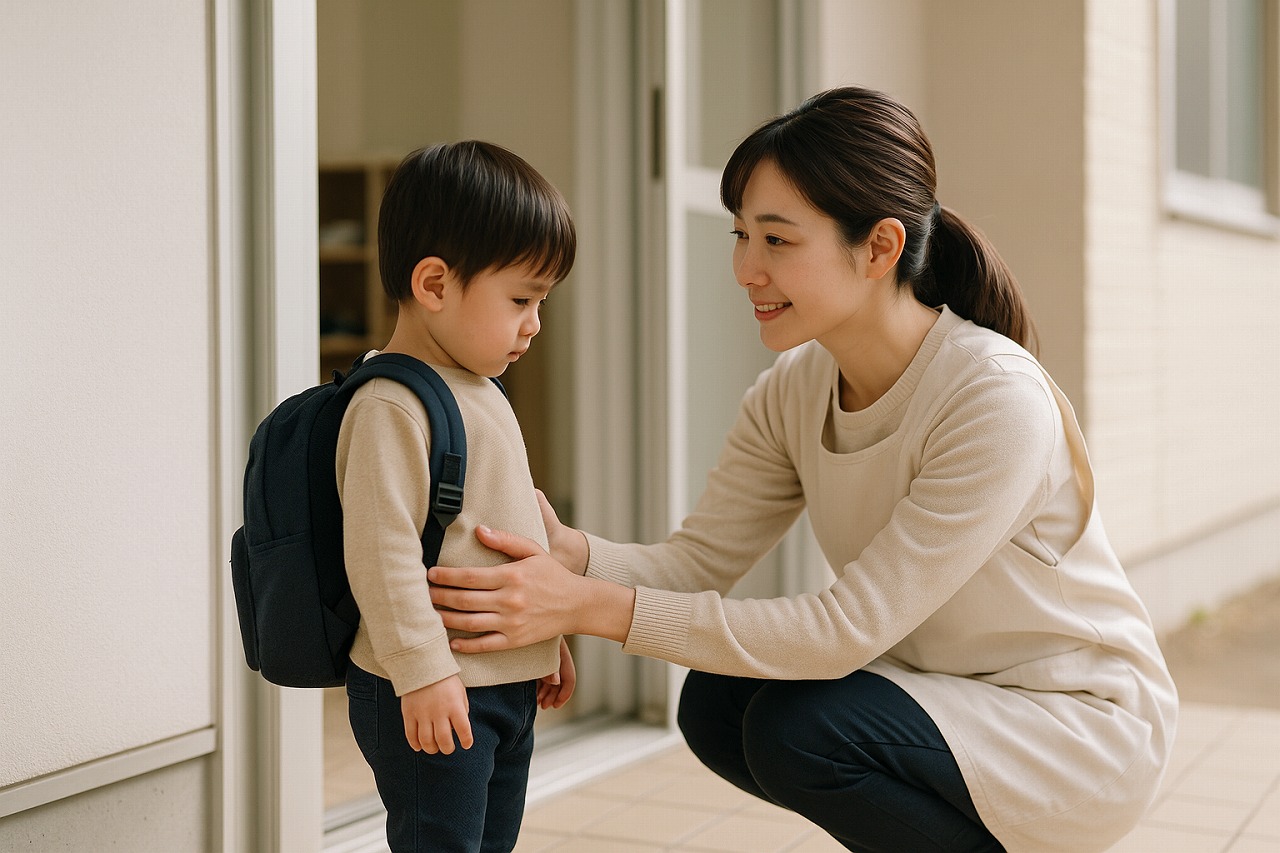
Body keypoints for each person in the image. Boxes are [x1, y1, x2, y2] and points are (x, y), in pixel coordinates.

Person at [425, 88, 1179, 853]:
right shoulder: (794, 389)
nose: (746, 268)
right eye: (740, 234)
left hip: (1074, 726)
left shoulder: (992, 397)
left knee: (801, 729)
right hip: (944, 700)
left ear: (881, 248)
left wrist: (585, 607)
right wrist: (573, 557)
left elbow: (843, 631)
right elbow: (697, 563)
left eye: (778, 240)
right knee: (719, 705)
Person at [336, 140, 578, 853]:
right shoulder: (392, 403)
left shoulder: (480, 387)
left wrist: (548, 634)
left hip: (501, 682)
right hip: (436, 684)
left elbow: (507, 526)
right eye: (522, 299)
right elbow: (380, 555)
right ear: (435, 284)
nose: (533, 322)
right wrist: (423, 671)